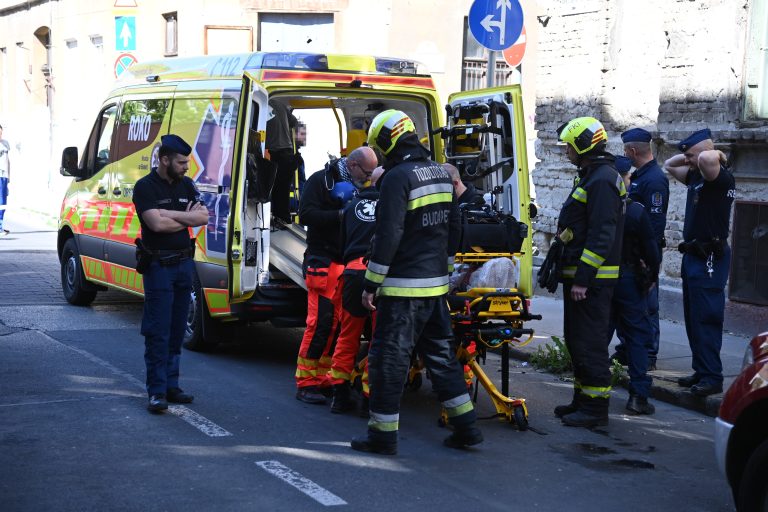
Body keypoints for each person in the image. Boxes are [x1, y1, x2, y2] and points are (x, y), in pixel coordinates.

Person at [352, 109, 482, 455]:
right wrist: (447, 267)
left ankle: (382, 436)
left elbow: (388, 233)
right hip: (435, 288)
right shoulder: (440, 172)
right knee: (441, 357)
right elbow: (455, 225)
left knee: (388, 361)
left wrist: (370, 283)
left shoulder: (397, 178)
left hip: (402, 289)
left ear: (385, 141)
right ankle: (467, 428)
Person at [552, 116, 624, 428]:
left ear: (582, 145)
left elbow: (601, 234)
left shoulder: (603, 179)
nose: (566, 150)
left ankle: (595, 410)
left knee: (590, 343)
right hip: (580, 277)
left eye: (569, 145)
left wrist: (583, 278)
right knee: (576, 339)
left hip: (592, 282)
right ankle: (582, 400)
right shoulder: (592, 176)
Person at [294, 146, 378, 404]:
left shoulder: (361, 186)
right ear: (353, 165)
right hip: (323, 260)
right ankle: (306, 382)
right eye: (366, 172)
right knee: (321, 323)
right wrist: (340, 215)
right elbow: (306, 214)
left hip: (348, 264)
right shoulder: (321, 181)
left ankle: (327, 379)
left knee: (340, 326)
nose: (368, 177)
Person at [132, 134, 209, 412]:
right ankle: (156, 391)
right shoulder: (145, 187)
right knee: (158, 330)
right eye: (181, 162)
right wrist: (182, 217)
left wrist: (169, 214)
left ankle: (171, 386)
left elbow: (202, 218)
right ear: (164, 160)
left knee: (177, 329)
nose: (186, 167)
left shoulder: (187, 185)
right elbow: (156, 226)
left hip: (183, 265)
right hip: (158, 267)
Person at [663, 128, 735, 397]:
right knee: (694, 318)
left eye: (691, 155)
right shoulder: (697, 176)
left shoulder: (718, 178)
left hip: (710, 258)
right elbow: (669, 164)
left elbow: (706, 159)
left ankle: (712, 376)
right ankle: (701, 369)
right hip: (693, 256)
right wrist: (691, 156)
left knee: (707, 317)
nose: (689, 161)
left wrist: (714, 152)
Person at [611, 128, 669, 370]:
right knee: (631, 304)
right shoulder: (640, 176)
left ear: (632, 151)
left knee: (647, 305)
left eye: (626, 151)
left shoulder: (654, 179)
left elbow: (655, 225)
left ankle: (648, 354)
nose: (626, 154)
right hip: (632, 254)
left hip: (644, 255)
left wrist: (648, 261)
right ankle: (628, 350)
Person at [328, 165, 385, 415]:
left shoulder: (350, 206)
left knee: (348, 336)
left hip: (351, 274)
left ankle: (339, 395)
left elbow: (340, 244)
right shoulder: (391, 206)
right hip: (378, 275)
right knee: (378, 340)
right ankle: (368, 399)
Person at [608, 156, 660, 415]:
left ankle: (590, 394)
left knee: (597, 337)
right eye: (628, 177)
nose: (631, 181)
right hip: (629, 280)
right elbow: (653, 252)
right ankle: (638, 396)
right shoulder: (636, 211)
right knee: (637, 338)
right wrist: (650, 278)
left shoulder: (596, 207)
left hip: (602, 281)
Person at [266, 98, 298, 223]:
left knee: (272, 186)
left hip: (273, 152)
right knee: (283, 188)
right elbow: (294, 122)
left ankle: (277, 216)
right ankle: (283, 217)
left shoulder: (260, 104)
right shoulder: (280, 104)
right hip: (288, 152)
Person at [0, 124, 10, 236]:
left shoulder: (6, 144)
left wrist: (9, 178)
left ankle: (1, 226)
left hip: (4, 176)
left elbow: (8, 161)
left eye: (1, 132)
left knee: (3, 203)